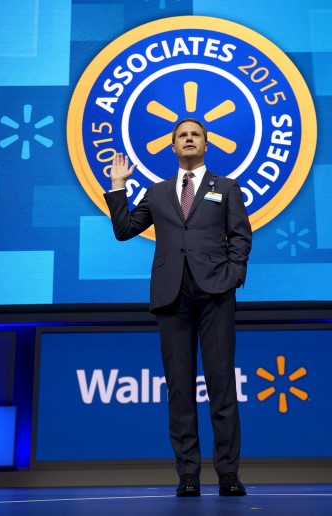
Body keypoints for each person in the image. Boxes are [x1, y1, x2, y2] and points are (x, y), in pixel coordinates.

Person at [103, 118, 252, 497]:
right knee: (180, 391)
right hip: (172, 297)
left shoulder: (228, 188)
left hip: (216, 293)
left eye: (195, 135)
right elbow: (124, 230)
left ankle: (228, 475)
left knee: (221, 388)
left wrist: (233, 275)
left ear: (206, 144)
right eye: (182, 136)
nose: (189, 139)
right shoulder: (157, 192)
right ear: (173, 147)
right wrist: (118, 186)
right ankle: (188, 475)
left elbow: (241, 237)